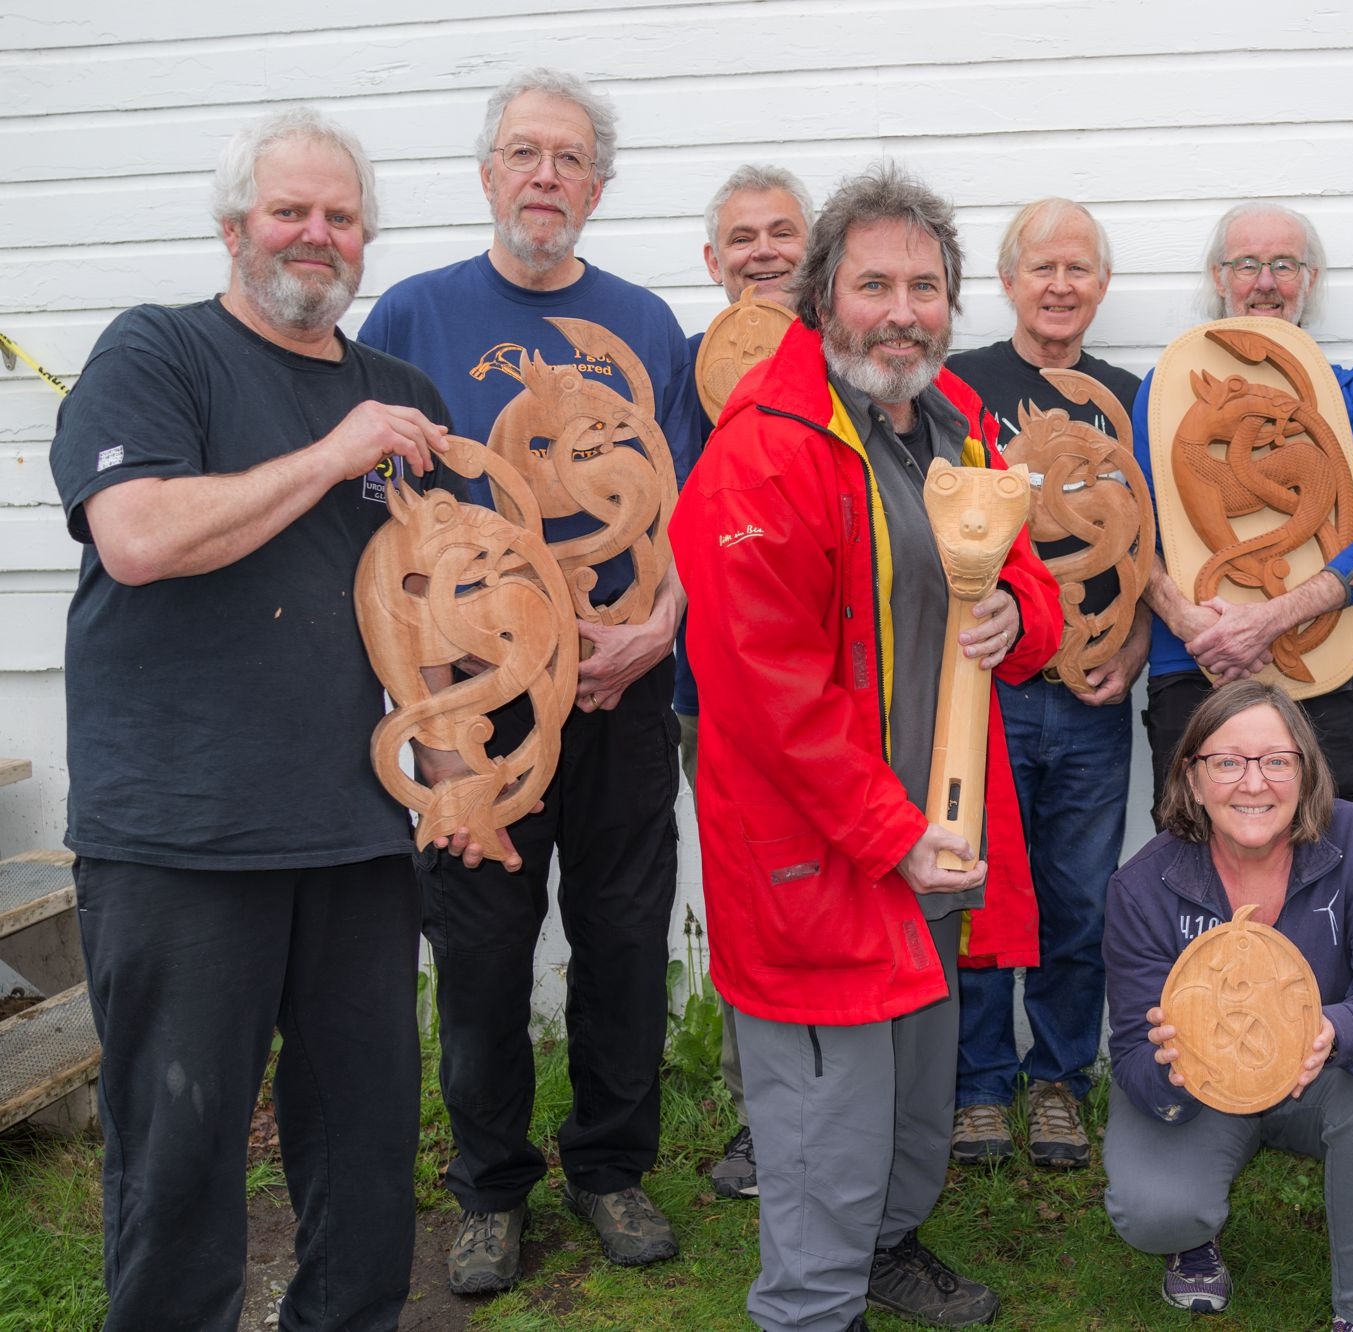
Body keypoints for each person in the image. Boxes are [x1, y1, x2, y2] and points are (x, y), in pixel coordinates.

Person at [48, 107, 450, 1331]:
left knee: (370, 1152)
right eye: (291, 211)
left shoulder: (402, 396)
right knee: (177, 1155)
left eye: (340, 216)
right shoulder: (156, 355)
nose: (316, 235)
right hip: (183, 837)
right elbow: (139, 537)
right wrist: (332, 456)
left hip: (360, 834)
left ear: (366, 239)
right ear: (236, 228)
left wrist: (454, 782)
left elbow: (433, 611)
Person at [669, 163, 1062, 1332]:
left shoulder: (956, 427)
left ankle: (886, 1249)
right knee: (825, 1129)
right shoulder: (766, 450)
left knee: (913, 1097)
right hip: (823, 855)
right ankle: (809, 1301)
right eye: (874, 283)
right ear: (821, 297)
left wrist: (1018, 618)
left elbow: (1028, 595)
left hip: (929, 839)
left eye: (925, 286)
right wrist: (891, 837)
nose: (903, 310)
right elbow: (765, 691)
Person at [357, 67, 701, 1293]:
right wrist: (438, 712)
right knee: (484, 949)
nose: (543, 175)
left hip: (620, 693)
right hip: (477, 707)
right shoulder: (408, 317)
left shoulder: (648, 328)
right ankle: (490, 1189)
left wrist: (658, 627)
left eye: (567, 158)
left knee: (620, 938)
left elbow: (692, 516)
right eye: (523, 154)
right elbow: (380, 523)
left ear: (596, 188)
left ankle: (610, 1168)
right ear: (488, 174)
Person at [1102, 680, 1353, 1332]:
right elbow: (1130, 1048)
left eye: (1275, 761)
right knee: (1152, 1212)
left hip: (1322, 1074)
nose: (1251, 783)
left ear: (1305, 773)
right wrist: (1171, 1067)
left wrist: (1330, 1030)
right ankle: (1190, 1235)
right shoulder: (1142, 885)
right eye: (1226, 762)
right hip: (1201, 1087)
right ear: (1192, 780)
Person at [944, 197, 1145, 1170]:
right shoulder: (957, 389)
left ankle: (1060, 1079)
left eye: (1079, 270)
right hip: (986, 688)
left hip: (1096, 694)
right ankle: (978, 1085)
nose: (1060, 286)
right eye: (1043, 269)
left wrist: (1138, 647)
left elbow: (1156, 549)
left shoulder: (1132, 398)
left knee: (1079, 896)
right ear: (1009, 281)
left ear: (1101, 287)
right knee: (979, 887)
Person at [1132, 204, 1353, 810]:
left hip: (1320, 671)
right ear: (1218, 277)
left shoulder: (1348, 398)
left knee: (1326, 874)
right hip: (1194, 670)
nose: (1265, 282)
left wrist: (1274, 617)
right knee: (1192, 873)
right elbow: (1136, 534)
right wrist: (1185, 619)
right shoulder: (1164, 392)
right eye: (1247, 264)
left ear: (1310, 279)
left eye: (1284, 265)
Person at [684, 162, 817, 1202]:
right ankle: (762, 1122)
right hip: (720, 704)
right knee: (752, 908)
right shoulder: (690, 378)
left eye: (783, 235)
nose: (765, 254)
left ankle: (862, 1112)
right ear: (712, 261)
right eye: (744, 239)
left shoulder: (849, 371)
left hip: (841, 702)